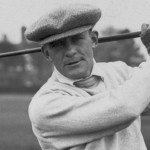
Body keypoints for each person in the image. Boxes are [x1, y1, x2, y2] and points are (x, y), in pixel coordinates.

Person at [25, 3, 150, 150]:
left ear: (94, 39)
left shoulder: (121, 71)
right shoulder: (44, 105)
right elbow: (125, 108)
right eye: (57, 44)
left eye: (77, 39)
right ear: (47, 53)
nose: (70, 51)